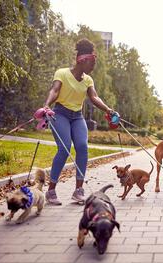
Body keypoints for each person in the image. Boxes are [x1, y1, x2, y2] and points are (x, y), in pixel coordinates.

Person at [42, 38, 117, 205]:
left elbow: (94, 97)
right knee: (64, 148)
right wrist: (47, 105)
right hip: (59, 113)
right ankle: (51, 191)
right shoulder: (62, 73)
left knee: (82, 147)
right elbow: (54, 90)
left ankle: (78, 191)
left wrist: (108, 110)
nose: (92, 67)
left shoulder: (88, 80)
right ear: (83, 60)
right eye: (91, 64)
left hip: (77, 116)